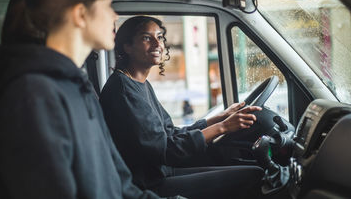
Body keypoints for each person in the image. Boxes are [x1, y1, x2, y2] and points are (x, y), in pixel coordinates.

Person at [0, 0, 160, 199]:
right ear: (80, 14)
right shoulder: (34, 95)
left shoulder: (80, 87)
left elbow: (121, 186)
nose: (115, 15)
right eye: (107, 5)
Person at [99, 15, 264, 199]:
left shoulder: (139, 83)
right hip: (147, 185)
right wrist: (223, 127)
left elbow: (169, 133)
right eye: (147, 38)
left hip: (160, 173)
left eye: (160, 37)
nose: (157, 44)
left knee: (247, 170)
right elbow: (167, 150)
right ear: (127, 46)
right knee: (254, 175)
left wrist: (220, 118)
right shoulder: (123, 90)